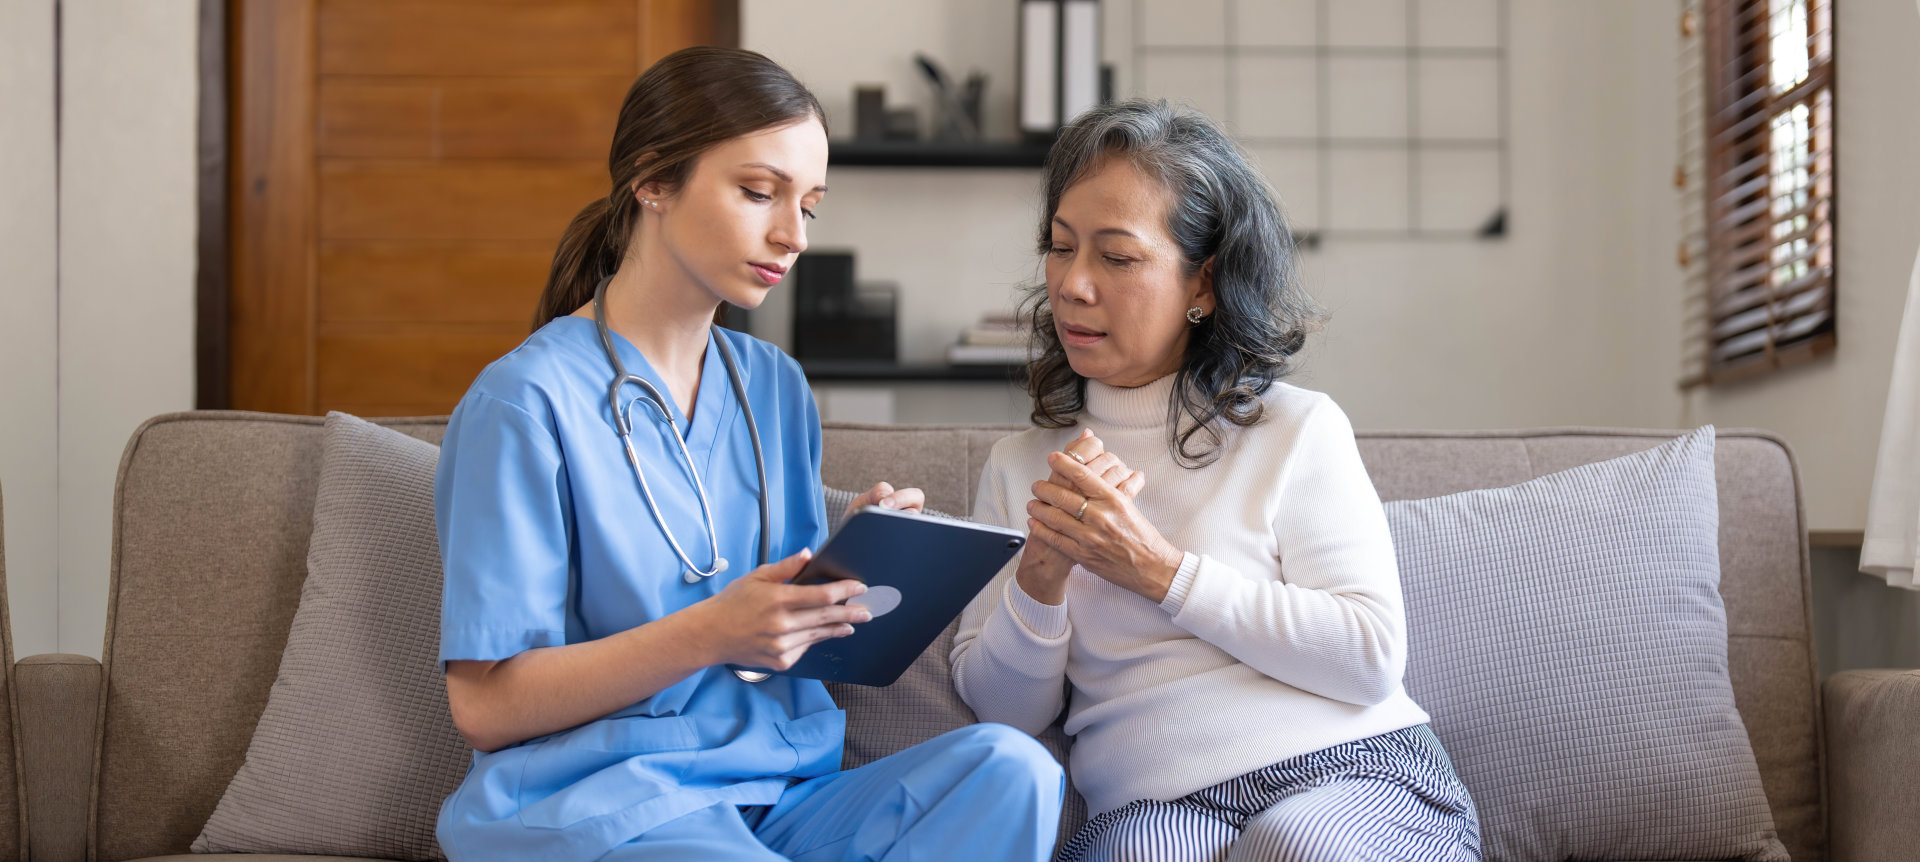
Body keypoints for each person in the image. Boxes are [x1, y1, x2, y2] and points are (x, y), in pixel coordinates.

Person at [433, 47, 1063, 862]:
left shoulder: (774, 386)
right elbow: (484, 706)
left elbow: (784, 637)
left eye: (811, 206)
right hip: (602, 803)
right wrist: (710, 633)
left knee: (1014, 772)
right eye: (759, 192)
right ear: (653, 181)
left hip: (774, 792)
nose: (791, 235)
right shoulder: (523, 403)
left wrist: (848, 573)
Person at [950, 99, 1481, 861]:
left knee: (1298, 846)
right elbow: (1003, 714)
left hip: (1342, 768)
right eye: (1061, 248)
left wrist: (1157, 570)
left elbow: (1368, 657)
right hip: (1149, 800)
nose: (1072, 285)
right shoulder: (1020, 468)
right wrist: (1040, 575)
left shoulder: (1295, 429)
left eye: (1117, 257)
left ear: (1203, 282)